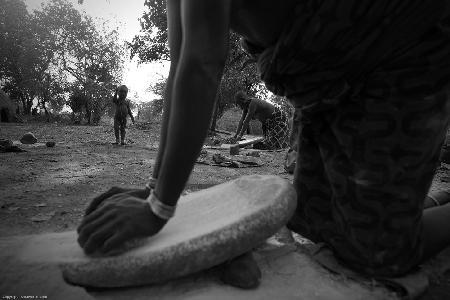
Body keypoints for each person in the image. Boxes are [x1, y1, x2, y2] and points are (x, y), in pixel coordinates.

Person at [77, 0, 450, 289]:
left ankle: (406, 221)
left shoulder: (253, 104)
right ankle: (423, 202)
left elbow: (203, 64)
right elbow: (180, 65)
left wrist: (160, 208)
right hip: (322, 73)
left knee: (376, 251)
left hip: (398, 45)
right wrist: (153, 189)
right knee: (309, 218)